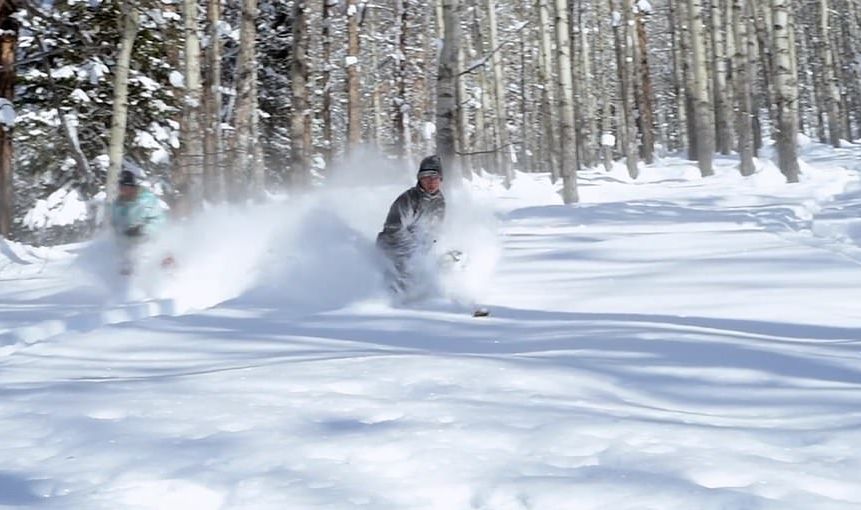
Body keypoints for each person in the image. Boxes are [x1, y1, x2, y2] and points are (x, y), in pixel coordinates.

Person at [377, 155, 446, 294]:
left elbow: (434, 231)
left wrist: (429, 249)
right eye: (426, 177)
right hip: (393, 249)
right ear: (419, 179)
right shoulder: (408, 200)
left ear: (440, 179)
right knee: (409, 273)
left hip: (417, 251)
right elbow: (393, 230)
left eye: (434, 177)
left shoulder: (439, 202)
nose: (431, 181)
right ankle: (392, 296)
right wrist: (415, 251)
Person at [111, 170, 170, 274]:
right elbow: (115, 225)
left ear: (132, 187)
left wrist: (142, 229)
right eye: (120, 188)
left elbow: (159, 220)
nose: (122, 191)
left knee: (149, 265)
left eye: (125, 188)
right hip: (127, 249)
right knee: (124, 270)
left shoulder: (146, 200)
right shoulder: (118, 205)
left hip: (149, 244)